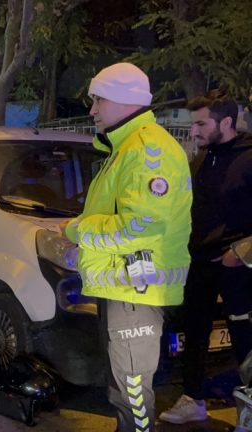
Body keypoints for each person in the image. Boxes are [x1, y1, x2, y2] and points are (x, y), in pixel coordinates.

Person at [58, 62, 193, 431]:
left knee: (131, 391)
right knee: (123, 386)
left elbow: (142, 226)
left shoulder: (148, 150)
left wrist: (78, 230)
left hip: (135, 290)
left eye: (97, 99)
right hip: (126, 286)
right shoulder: (129, 146)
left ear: (123, 100)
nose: (92, 110)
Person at [159, 90, 252, 425]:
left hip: (239, 267)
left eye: (200, 123)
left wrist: (239, 254)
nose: (193, 130)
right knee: (194, 333)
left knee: (245, 337)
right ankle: (193, 399)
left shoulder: (248, 157)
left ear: (225, 122)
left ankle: (249, 409)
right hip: (198, 262)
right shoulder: (201, 159)